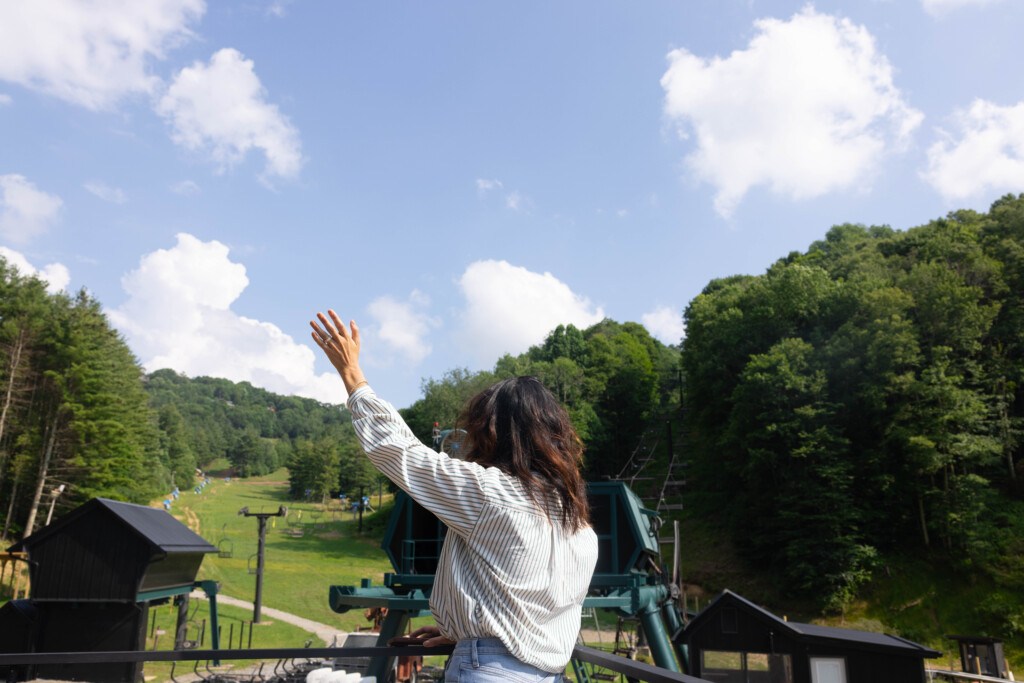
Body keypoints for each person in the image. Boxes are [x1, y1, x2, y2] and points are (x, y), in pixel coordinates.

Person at [310, 309, 598, 683]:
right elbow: (533, 607)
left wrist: (352, 375)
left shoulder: (490, 493)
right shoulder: (578, 526)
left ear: (492, 434)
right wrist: (467, 633)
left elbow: (400, 452)